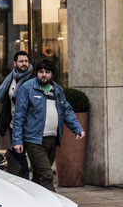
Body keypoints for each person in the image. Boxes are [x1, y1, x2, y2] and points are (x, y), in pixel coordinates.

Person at [11, 60, 85, 191]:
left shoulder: (57, 89)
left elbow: (66, 110)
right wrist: (17, 140)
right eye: (41, 72)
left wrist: (77, 128)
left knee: (39, 177)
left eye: (47, 72)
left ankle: (33, 202)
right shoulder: (27, 88)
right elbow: (19, 115)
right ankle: (55, 204)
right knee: (47, 174)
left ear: (52, 75)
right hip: (34, 140)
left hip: (52, 139)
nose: (43, 75)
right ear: (36, 73)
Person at [0, 51, 33, 178]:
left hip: (29, 124)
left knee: (33, 156)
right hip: (14, 125)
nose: (24, 64)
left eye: (26, 61)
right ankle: (23, 181)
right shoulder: (11, 78)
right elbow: (8, 102)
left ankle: (33, 184)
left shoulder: (32, 79)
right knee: (18, 156)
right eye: (21, 61)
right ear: (15, 63)